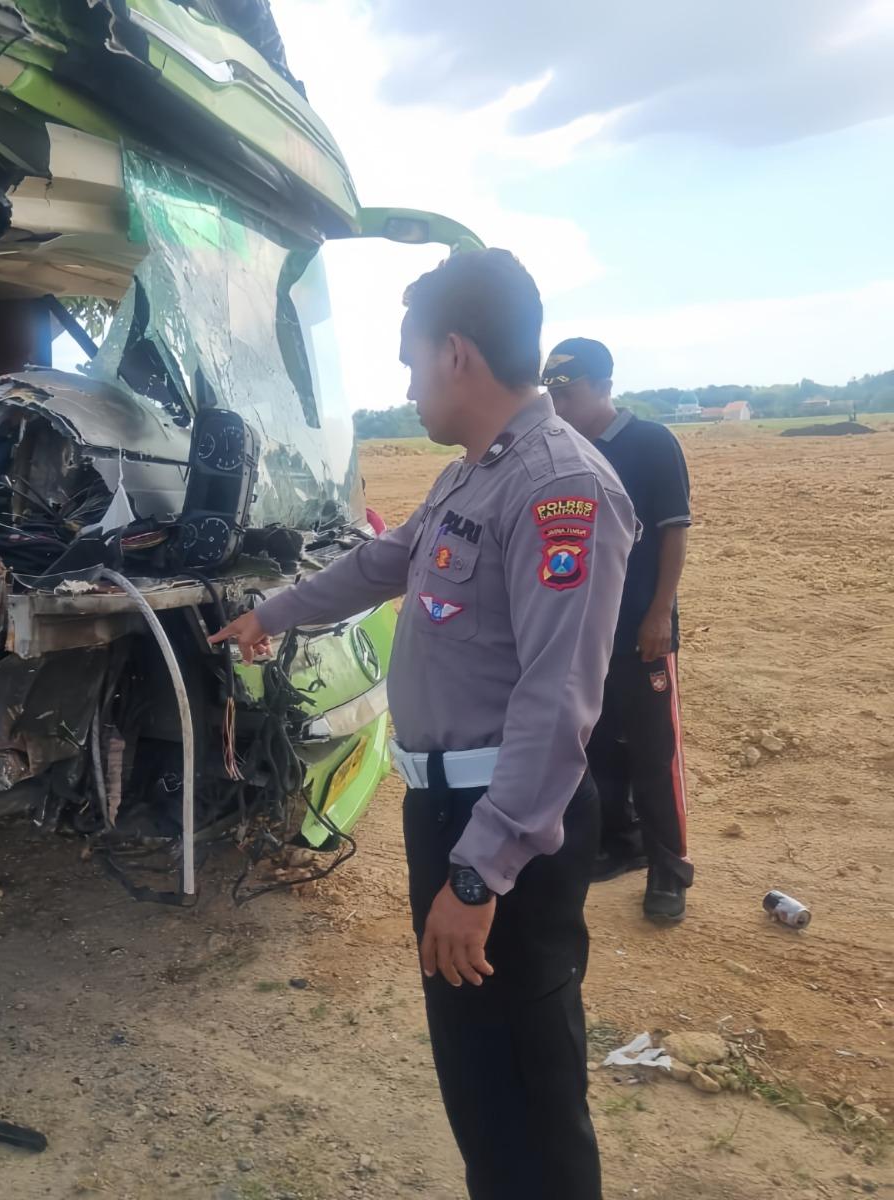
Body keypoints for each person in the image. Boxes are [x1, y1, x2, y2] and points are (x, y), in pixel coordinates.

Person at [210, 249, 634, 1200]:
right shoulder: (473, 474)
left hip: (501, 828)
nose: (407, 386)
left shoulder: (561, 488)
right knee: (479, 1082)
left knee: (526, 1085)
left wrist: (480, 873)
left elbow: (555, 701)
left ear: (454, 354)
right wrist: (270, 615)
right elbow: (382, 562)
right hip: (447, 814)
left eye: (407, 363)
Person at [544, 338, 694, 921]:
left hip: (640, 627)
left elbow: (673, 532)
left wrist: (660, 612)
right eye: (551, 392)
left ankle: (670, 870)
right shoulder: (559, 449)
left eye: (570, 391)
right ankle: (619, 843)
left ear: (604, 386)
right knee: (598, 744)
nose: (558, 404)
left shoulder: (651, 444)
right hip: (585, 631)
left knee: (655, 754)